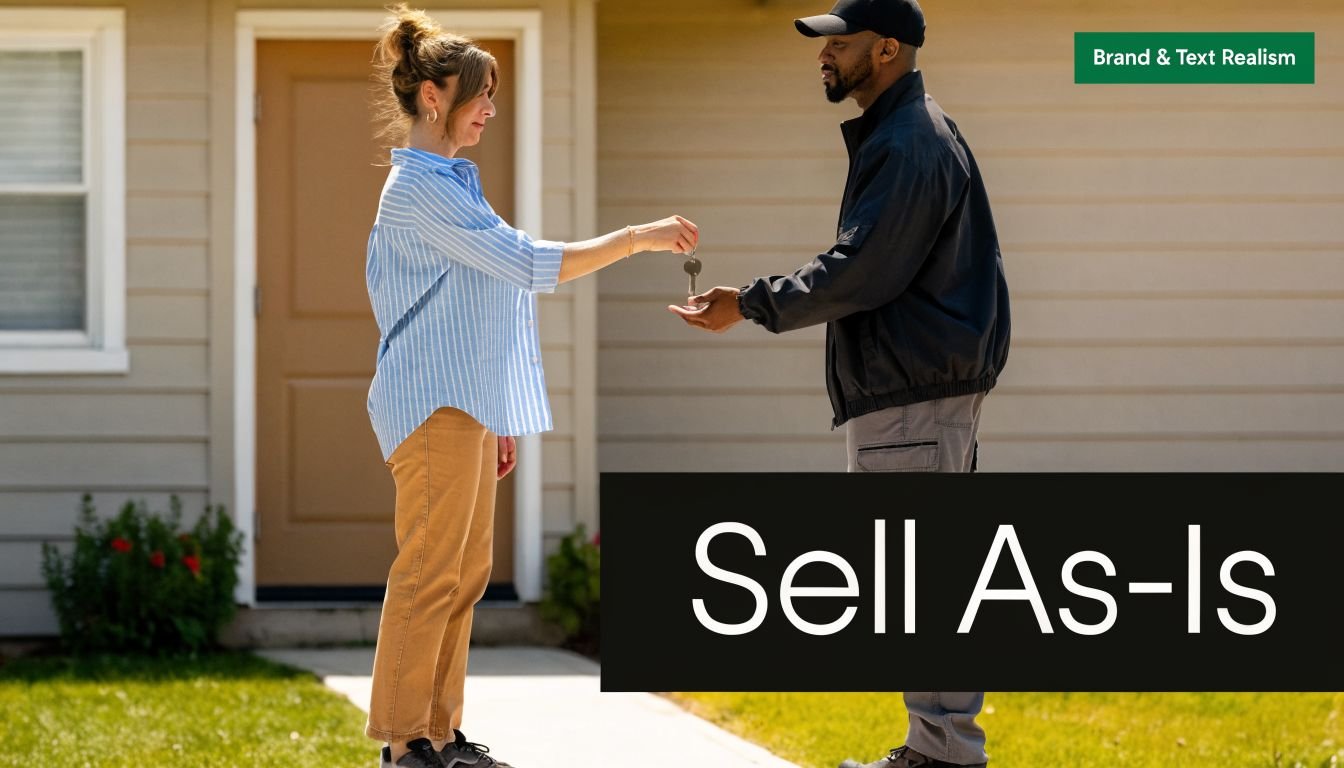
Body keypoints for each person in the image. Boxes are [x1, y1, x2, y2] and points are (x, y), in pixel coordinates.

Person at [668, 0, 1009, 766]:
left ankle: (946, 753)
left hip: (912, 395)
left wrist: (750, 303)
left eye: (839, 43)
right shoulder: (907, 133)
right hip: (918, 390)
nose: (822, 56)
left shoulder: (911, 142)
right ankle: (939, 749)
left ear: (886, 48)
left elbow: (864, 271)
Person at [365, 6, 698, 767]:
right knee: (427, 570)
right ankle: (402, 740)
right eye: (479, 95)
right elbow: (522, 265)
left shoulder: (454, 181)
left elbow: (483, 297)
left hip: (467, 404)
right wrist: (636, 239)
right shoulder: (420, 188)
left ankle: (440, 736)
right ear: (432, 98)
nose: (489, 109)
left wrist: (499, 413)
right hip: (431, 403)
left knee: (464, 573)